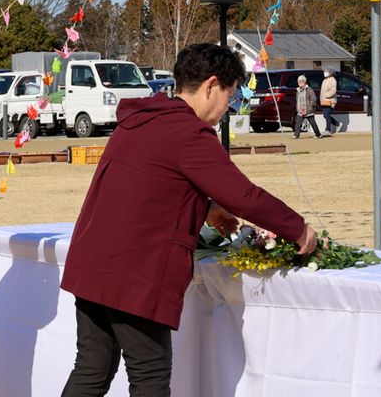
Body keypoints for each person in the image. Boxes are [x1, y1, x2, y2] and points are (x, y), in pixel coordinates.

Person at [61, 43, 315, 396]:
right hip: (133, 273)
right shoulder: (189, 133)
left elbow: (150, 182)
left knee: (92, 370)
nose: (229, 107)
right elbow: (243, 195)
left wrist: (206, 208)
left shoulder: (142, 119)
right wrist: (298, 229)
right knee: (148, 378)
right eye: (230, 94)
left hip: (92, 265)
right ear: (211, 85)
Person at [294, 74, 324, 139]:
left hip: (308, 110)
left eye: (302, 81)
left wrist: (310, 107)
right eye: (299, 81)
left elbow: (313, 99)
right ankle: (296, 135)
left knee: (313, 123)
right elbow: (297, 100)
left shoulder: (309, 90)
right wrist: (298, 108)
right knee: (297, 123)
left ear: (305, 82)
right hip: (301, 110)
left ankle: (318, 134)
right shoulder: (298, 91)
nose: (300, 82)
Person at [320, 68, 341, 133]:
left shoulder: (333, 80)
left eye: (326, 71)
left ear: (330, 72)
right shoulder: (325, 80)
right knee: (325, 115)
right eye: (324, 71)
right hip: (324, 100)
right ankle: (337, 124)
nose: (325, 73)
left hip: (330, 100)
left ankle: (328, 129)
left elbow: (333, 90)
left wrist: (326, 95)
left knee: (327, 114)